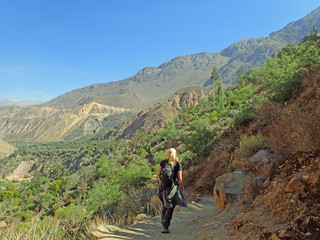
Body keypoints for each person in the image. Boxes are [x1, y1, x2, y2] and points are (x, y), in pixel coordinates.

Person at [157, 148, 187, 234]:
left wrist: (161, 183)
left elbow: (158, 175)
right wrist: (177, 185)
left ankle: (163, 222)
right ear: (175, 154)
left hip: (162, 188)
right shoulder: (178, 164)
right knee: (170, 206)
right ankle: (165, 226)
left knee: (165, 204)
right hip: (173, 187)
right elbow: (180, 178)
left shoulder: (163, 162)